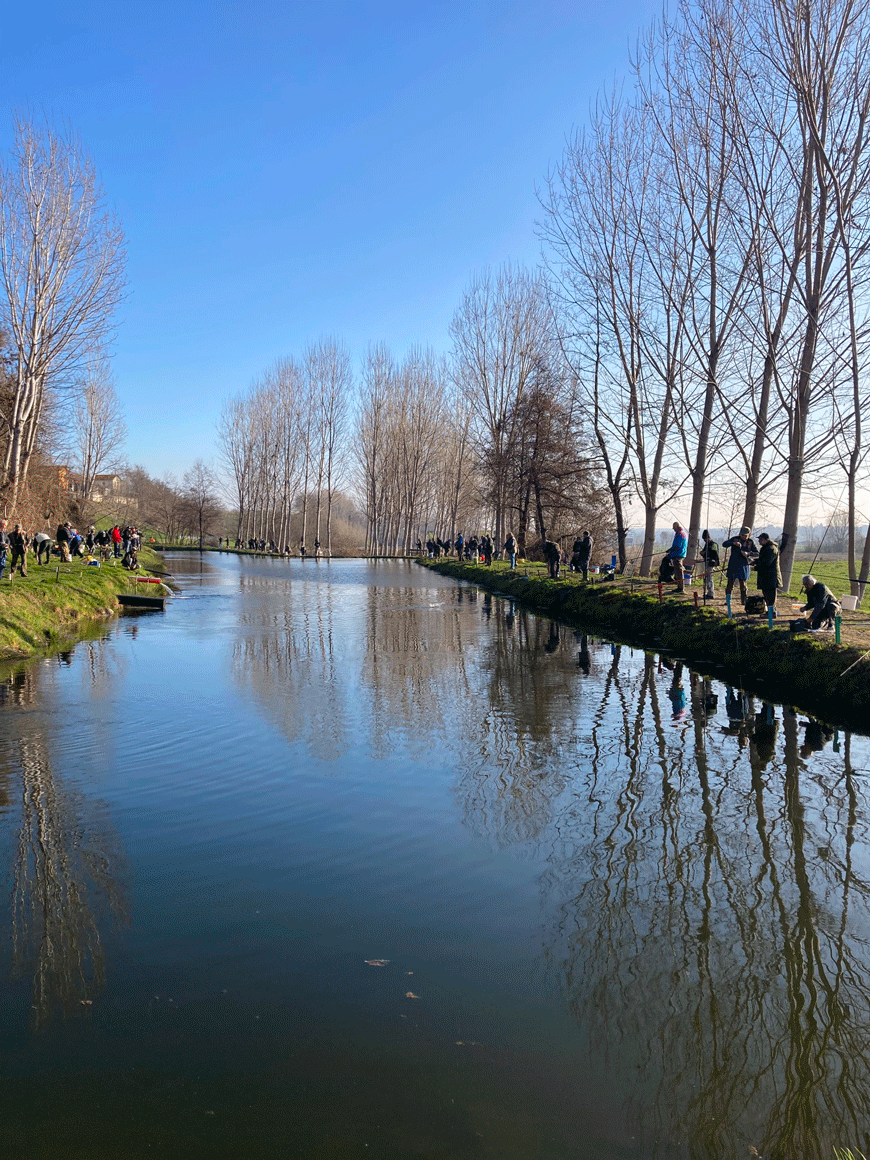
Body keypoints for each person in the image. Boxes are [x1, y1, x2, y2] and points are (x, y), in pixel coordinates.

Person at [722, 526, 758, 605]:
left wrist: (748, 554)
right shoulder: (734, 539)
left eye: (745, 535)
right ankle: (728, 600)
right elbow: (724, 544)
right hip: (733, 564)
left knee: (743, 584)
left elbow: (756, 553)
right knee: (730, 583)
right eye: (742, 535)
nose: (743, 537)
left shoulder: (751, 542)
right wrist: (733, 543)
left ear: (749, 535)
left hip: (744, 565)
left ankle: (744, 600)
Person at [754, 533, 782, 617]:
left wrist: (755, 568)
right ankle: (770, 612)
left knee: (771, 596)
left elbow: (766, 563)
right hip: (766, 577)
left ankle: (772, 613)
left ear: (766, 539)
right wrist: (755, 561)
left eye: (760, 539)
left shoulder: (771, 549)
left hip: (771, 577)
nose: (759, 541)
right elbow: (763, 559)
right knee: (766, 595)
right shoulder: (766, 548)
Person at [696, 529, 719, 600]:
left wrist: (705, 553)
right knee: (706, 579)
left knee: (709, 578)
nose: (705, 540)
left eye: (705, 538)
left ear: (708, 537)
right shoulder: (707, 544)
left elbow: (714, 554)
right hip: (706, 562)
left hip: (711, 563)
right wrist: (702, 553)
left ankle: (711, 594)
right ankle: (708, 592)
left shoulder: (713, 544)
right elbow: (704, 552)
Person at [667, 522, 688, 592]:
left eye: (674, 528)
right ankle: (679, 586)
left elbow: (677, 547)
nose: (673, 530)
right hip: (681, 554)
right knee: (678, 571)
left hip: (678, 554)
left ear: (676, 528)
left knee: (679, 571)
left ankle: (681, 588)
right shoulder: (683, 533)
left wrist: (670, 550)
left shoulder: (680, 535)